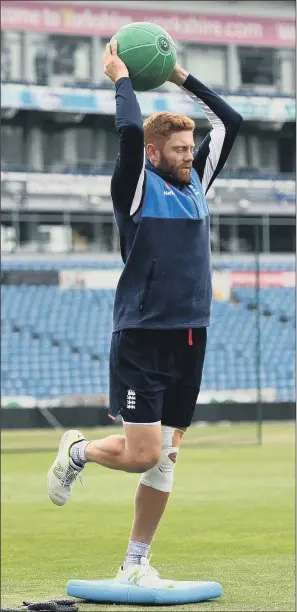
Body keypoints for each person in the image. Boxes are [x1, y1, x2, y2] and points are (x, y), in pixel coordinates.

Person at [48, 40, 243, 587]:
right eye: (179, 148)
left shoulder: (198, 188)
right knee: (140, 454)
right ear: (156, 156)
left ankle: (135, 564)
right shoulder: (135, 189)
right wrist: (122, 80)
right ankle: (78, 450)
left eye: (190, 147)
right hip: (141, 335)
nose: (190, 154)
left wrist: (180, 75)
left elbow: (230, 121)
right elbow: (131, 132)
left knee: (166, 459)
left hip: (191, 336)